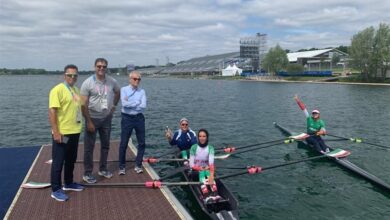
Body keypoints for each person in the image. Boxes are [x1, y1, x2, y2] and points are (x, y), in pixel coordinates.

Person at [80, 58, 120, 183]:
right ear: (94, 67)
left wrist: (113, 106)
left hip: (106, 118)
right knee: (89, 148)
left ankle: (103, 169)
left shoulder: (111, 81)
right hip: (92, 118)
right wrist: (89, 121)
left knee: (105, 146)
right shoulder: (88, 83)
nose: (101, 68)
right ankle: (87, 173)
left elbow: (118, 92)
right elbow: (83, 105)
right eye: (99, 66)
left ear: (106, 67)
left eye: (104, 66)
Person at [48, 64, 84, 201]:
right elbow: (52, 111)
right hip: (63, 133)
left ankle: (68, 183)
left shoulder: (76, 89)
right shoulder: (57, 90)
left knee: (71, 160)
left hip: (75, 131)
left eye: (75, 75)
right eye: (69, 75)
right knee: (58, 162)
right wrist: (56, 132)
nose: (72, 77)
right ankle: (56, 189)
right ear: (64, 75)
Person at [118, 70, 147, 175]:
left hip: (139, 118)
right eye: (135, 79)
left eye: (139, 79)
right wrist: (137, 102)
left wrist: (131, 102)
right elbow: (124, 104)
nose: (137, 81)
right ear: (130, 79)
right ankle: (121, 166)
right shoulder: (124, 90)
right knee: (124, 143)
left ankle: (138, 165)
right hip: (127, 118)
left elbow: (143, 106)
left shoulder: (142, 91)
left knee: (142, 143)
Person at [189, 129, 220, 203]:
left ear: (207, 137)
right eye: (200, 136)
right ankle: (206, 194)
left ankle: (215, 193)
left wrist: (212, 175)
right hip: (196, 171)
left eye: (204, 136)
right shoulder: (194, 147)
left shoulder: (210, 148)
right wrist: (200, 168)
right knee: (203, 172)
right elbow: (191, 165)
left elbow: (211, 163)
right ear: (198, 137)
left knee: (208, 172)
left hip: (207, 170)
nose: (202, 138)